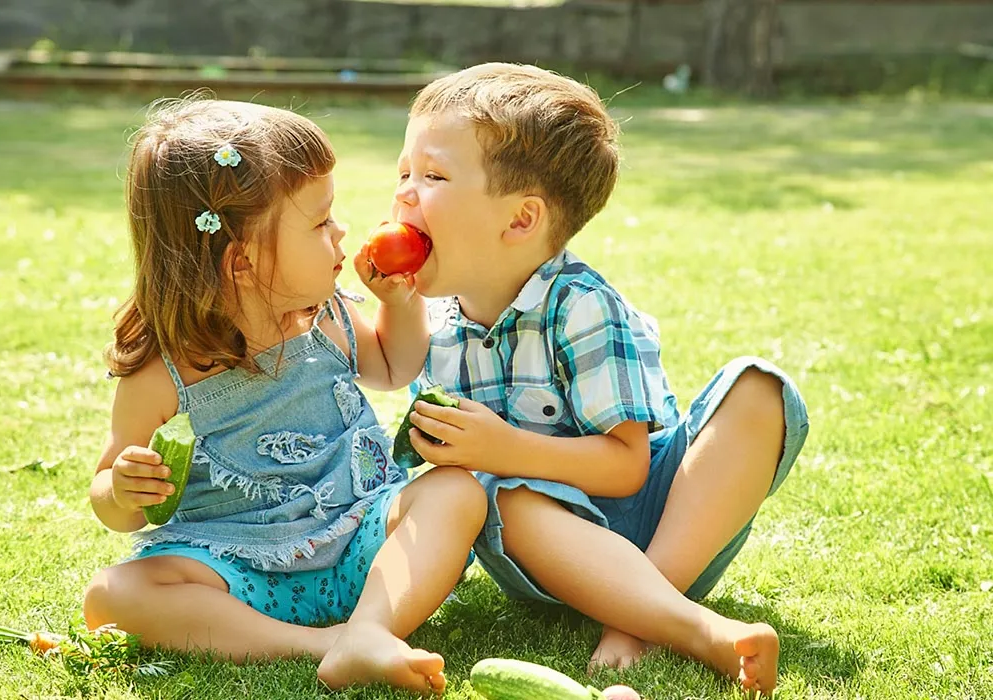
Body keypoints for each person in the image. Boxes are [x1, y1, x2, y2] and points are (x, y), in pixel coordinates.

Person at [394, 63, 810, 695]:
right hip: (547, 543)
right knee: (498, 494)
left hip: (663, 523)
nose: (403, 194)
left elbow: (627, 466)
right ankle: (683, 626)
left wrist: (504, 448)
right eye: (404, 173)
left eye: (432, 176)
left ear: (521, 220)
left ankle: (647, 616)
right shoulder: (434, 324)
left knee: (759, 387)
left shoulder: (582, 306)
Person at [82, 98, 486, 695]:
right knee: (112, 596)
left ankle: (372, 623)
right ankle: (326, 644)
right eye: (321, 222)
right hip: (241, 572)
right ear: (241, 261)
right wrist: (121, 489)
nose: (342, 231)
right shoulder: (163, 374)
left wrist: (398, 304)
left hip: (361, 543)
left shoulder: (327, 318)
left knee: (455, 491)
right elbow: (116, 502)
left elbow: (396, 366)